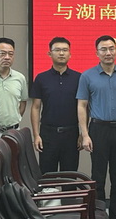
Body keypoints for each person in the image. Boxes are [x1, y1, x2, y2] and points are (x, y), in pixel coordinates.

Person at [77, 35, 116, 219]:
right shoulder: (87, 76)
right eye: (103, 49)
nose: (108, 52)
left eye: (111, 48)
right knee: (98, 176)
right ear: (97, 53)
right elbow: (82, 105)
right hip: (98, 129)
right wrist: (85, 134)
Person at [30, 37, 81, 174]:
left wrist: (83, 133)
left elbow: (84, 107)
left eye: (65, 50)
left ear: (70, 54)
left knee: (70, 176)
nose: (61, 53)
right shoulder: (41, 78)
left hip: (72, 134)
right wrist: (36, 135)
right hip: (48, 134)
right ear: (49, 53)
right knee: (47, 176)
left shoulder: (79, 78)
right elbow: (35, 107)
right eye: (57, 50)